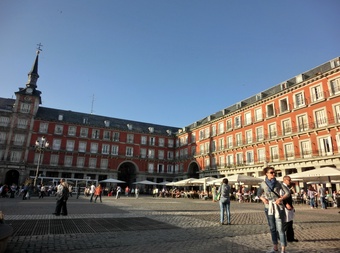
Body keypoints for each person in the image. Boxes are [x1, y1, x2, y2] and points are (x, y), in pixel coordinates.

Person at [257, 167, 290, 253]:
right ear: (266, 174)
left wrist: (281, 199)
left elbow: (288, 193)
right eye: (271, 172)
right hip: (268, 208)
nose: (273, 174)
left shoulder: (278, 183)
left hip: (279, 208)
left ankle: (283, 249)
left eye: (274, 172)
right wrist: (263, 199)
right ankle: (275, 247)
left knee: (280, 229)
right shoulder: (263, 184)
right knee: (272, 228)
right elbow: (258, 193)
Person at [282, 176, 298, 243]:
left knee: (290, 222)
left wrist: (291, 205)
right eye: (289, 180)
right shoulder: (282, 187)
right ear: (285, 180)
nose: (290, 181)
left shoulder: (288, 187)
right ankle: (279, 235)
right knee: (287, 223)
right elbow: (282, 197)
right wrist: (286, 204)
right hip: (286, 207)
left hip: (290, 206)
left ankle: (290, 237)